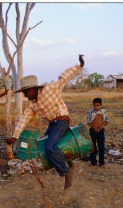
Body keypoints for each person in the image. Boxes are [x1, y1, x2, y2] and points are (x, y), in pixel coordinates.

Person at [6, 54, 85, 190]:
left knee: (49, 147)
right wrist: (15, 136)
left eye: (25, 92)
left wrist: (79, 66)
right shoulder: (32, 103)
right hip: (53, 124)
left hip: (62, 120)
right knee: (43, 147)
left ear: (32, 89)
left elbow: (64, 78)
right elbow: (24, 119)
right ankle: (69, 162)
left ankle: (66, 172)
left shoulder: (49, 89)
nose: (24, 95)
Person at [87, 97, 109, 167]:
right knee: (92, 147)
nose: (96, 107)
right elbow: (89, 122)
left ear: (101, 105)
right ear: (93, 105)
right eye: (95, 105)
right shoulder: (90, 112)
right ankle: (93, 162)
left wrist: (101, 126)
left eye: (98, 106)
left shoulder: (104, 112)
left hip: (101, 132)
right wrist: (94, 128)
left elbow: (106, 121)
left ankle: (101, 163)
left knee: (101, 147)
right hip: (92, 132)